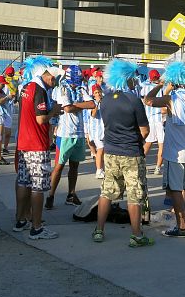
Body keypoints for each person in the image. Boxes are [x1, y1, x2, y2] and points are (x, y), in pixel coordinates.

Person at [92, 59, 153, 247]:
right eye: (133, 77)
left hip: (110, 151)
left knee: (107, 191)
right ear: (127, 78)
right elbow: (145, 130)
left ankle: (99, 230)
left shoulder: (105, 100)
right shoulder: (133, 100)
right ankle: (136, 235)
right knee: (134, 194)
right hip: (131, 152)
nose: (135, 80)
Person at [145, 61, 185, 237]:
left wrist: (162, 86)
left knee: (176, 189)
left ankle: (182, 226)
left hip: (175, 153)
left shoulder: (172, 98)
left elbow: (148, 100)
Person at [13, 56, 64, 240]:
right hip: (36, 144)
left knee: (23, 182)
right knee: (38, 186)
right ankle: (36, 227)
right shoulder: (40, 90)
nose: (54, 81)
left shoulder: (25, 87)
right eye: (53, 77)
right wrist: (54, 111)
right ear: (46, 74)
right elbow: (41, 119)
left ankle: (20, 220)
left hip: (24, 143)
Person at [46, 66, 95, 209]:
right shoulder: (63, 88)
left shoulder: (81, 88)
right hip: (65, 133)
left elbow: (92, 104)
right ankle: (50, 195)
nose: (76, 82)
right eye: (74, 80)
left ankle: (71, 194)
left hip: (79, 133)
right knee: (59, 166)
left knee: (75, 166)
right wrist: (81, 106)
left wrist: (75, 105)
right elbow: (67, 108)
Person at [140, 69, 165, 175]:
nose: (156, 79)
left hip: (152, 118)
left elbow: (142, 99)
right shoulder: (159, 86)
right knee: (156, 144)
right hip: (157, 118)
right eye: (155, 77)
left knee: (155, 144)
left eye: (156, 77)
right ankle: (155, 167)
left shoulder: (144, 86)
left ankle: (156, 167)